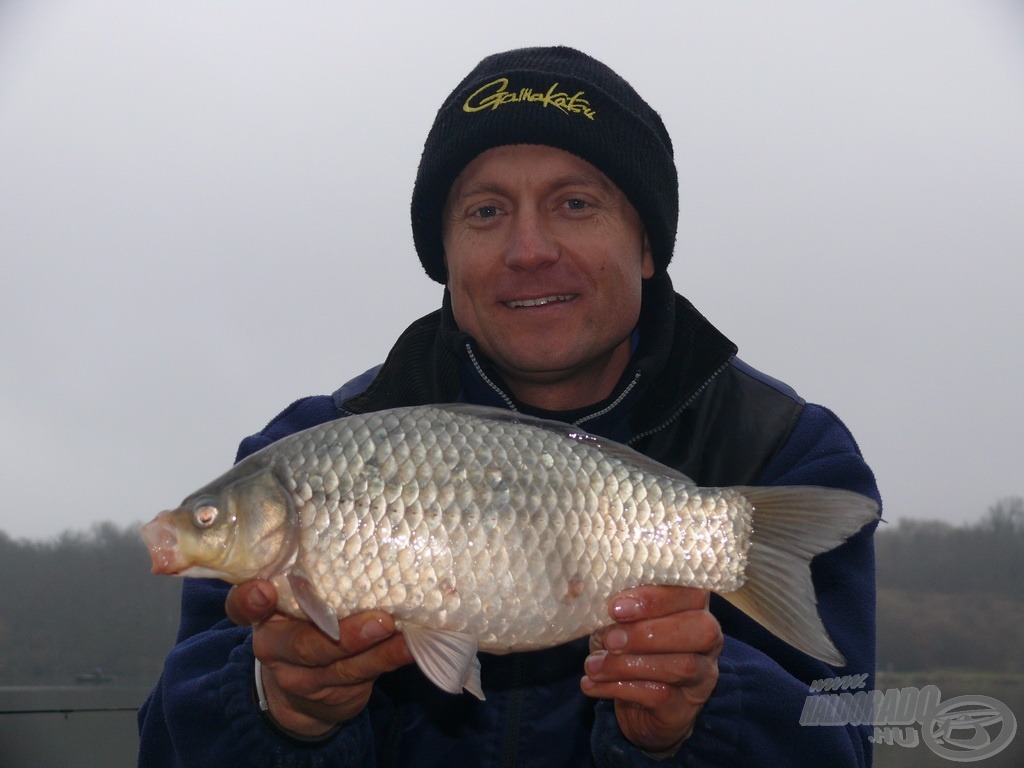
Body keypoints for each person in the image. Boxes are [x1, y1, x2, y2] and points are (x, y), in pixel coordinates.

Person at [137, 46, 880, 767]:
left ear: (647, 246)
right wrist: (282, 712)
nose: (529, 249)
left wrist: (695, 722)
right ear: (447, 254)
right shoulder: (311, 447)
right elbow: (168, 746)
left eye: (575, 203)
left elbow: (842, 741)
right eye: (487, 211)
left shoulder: (786, 451)